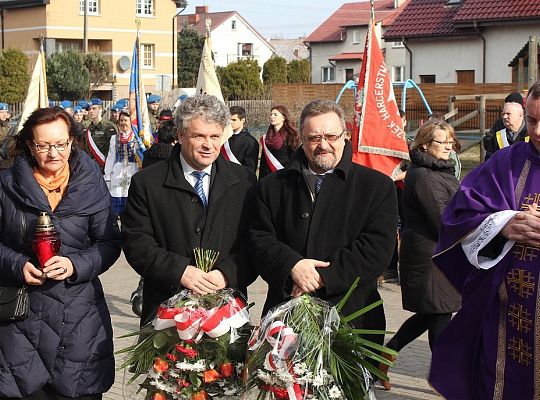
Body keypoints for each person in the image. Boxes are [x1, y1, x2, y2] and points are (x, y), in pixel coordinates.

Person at [250, 99, 398, 340]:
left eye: (331, 136)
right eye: (314, 138)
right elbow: (259, 238)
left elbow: (376, 250)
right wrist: (292, 267)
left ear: (345, 136)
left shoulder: (377, 187)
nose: (323, 145)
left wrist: (321, 277)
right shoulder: (271, 187)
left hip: (352, 325)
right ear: (301, 138)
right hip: (285, 322)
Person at [428, 81, 540, 399]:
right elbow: (458, 215)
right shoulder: (507, 162)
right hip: (508, 316)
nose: (538, 130)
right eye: (531, 120)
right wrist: (503, 225)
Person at [0, 107, 121, 399]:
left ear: (72, 141)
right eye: (43, 145)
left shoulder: (91, 183)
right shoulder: (6, 186)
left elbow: (108, 243)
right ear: (30, 145)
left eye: (61, 144)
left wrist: (75, 264)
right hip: (21, 323)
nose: (53, 153)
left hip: (80, 321)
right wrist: (18, 265)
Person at [122, 94, 257, 326]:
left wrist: (226, 274)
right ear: (180, 135)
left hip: (227, 314)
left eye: (215, 136)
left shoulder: (244, 181)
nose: (208, 145)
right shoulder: (147, 182)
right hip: (166, 315)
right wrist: (180, 271)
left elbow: (255, 242)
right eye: (199, 136)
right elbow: (137, 243)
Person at [379, 120, 462, 390]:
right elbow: (441, 220)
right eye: (442, 142)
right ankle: (442, 380)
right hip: (430, 255)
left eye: (451, 141)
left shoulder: (440, 170)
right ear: (426, 144)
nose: (448, 147)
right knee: (440, 314)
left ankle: (384, 356)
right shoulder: (423, 175)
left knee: (431, 313)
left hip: (438, 252)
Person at [104, 111, 142, 215]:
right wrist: (107, 176)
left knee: (132, 205)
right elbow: (111, 158)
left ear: (130, 122)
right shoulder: (114, 138)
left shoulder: (137, 138)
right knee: (117, 210)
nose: (123, 123)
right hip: (118, 175)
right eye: (121, 120)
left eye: (125, 120)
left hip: (133, 173)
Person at [258, 105, 301, 178]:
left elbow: (295, 158)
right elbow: (263, 161)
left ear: (283, 118)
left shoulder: (291, 136)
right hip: (268, 177)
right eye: (271, 114)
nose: (272, 117)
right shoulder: (267, 137)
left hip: (284, 176)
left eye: (275, 115)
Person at [483, 95, 528, 160]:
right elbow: (489, 162)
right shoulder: (497, 137)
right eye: (503, 114)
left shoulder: (531, 135)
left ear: (520, 115)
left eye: (508, 114)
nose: (504, 117)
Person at [224, 105, 259, 173]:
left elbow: (250, 169)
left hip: (240, 179)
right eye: (229, 120)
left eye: (234, 120)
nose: (230, 122)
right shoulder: (224, 138)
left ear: (242, 120)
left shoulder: (250, 142)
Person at [86, 98, 118, 170]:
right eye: (89, 109)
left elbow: (114, 148)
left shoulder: (109, 127)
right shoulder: (89, 128)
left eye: (94, 108)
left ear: (100, 110)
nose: (91, 111)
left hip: (106, 166)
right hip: (92, 167)